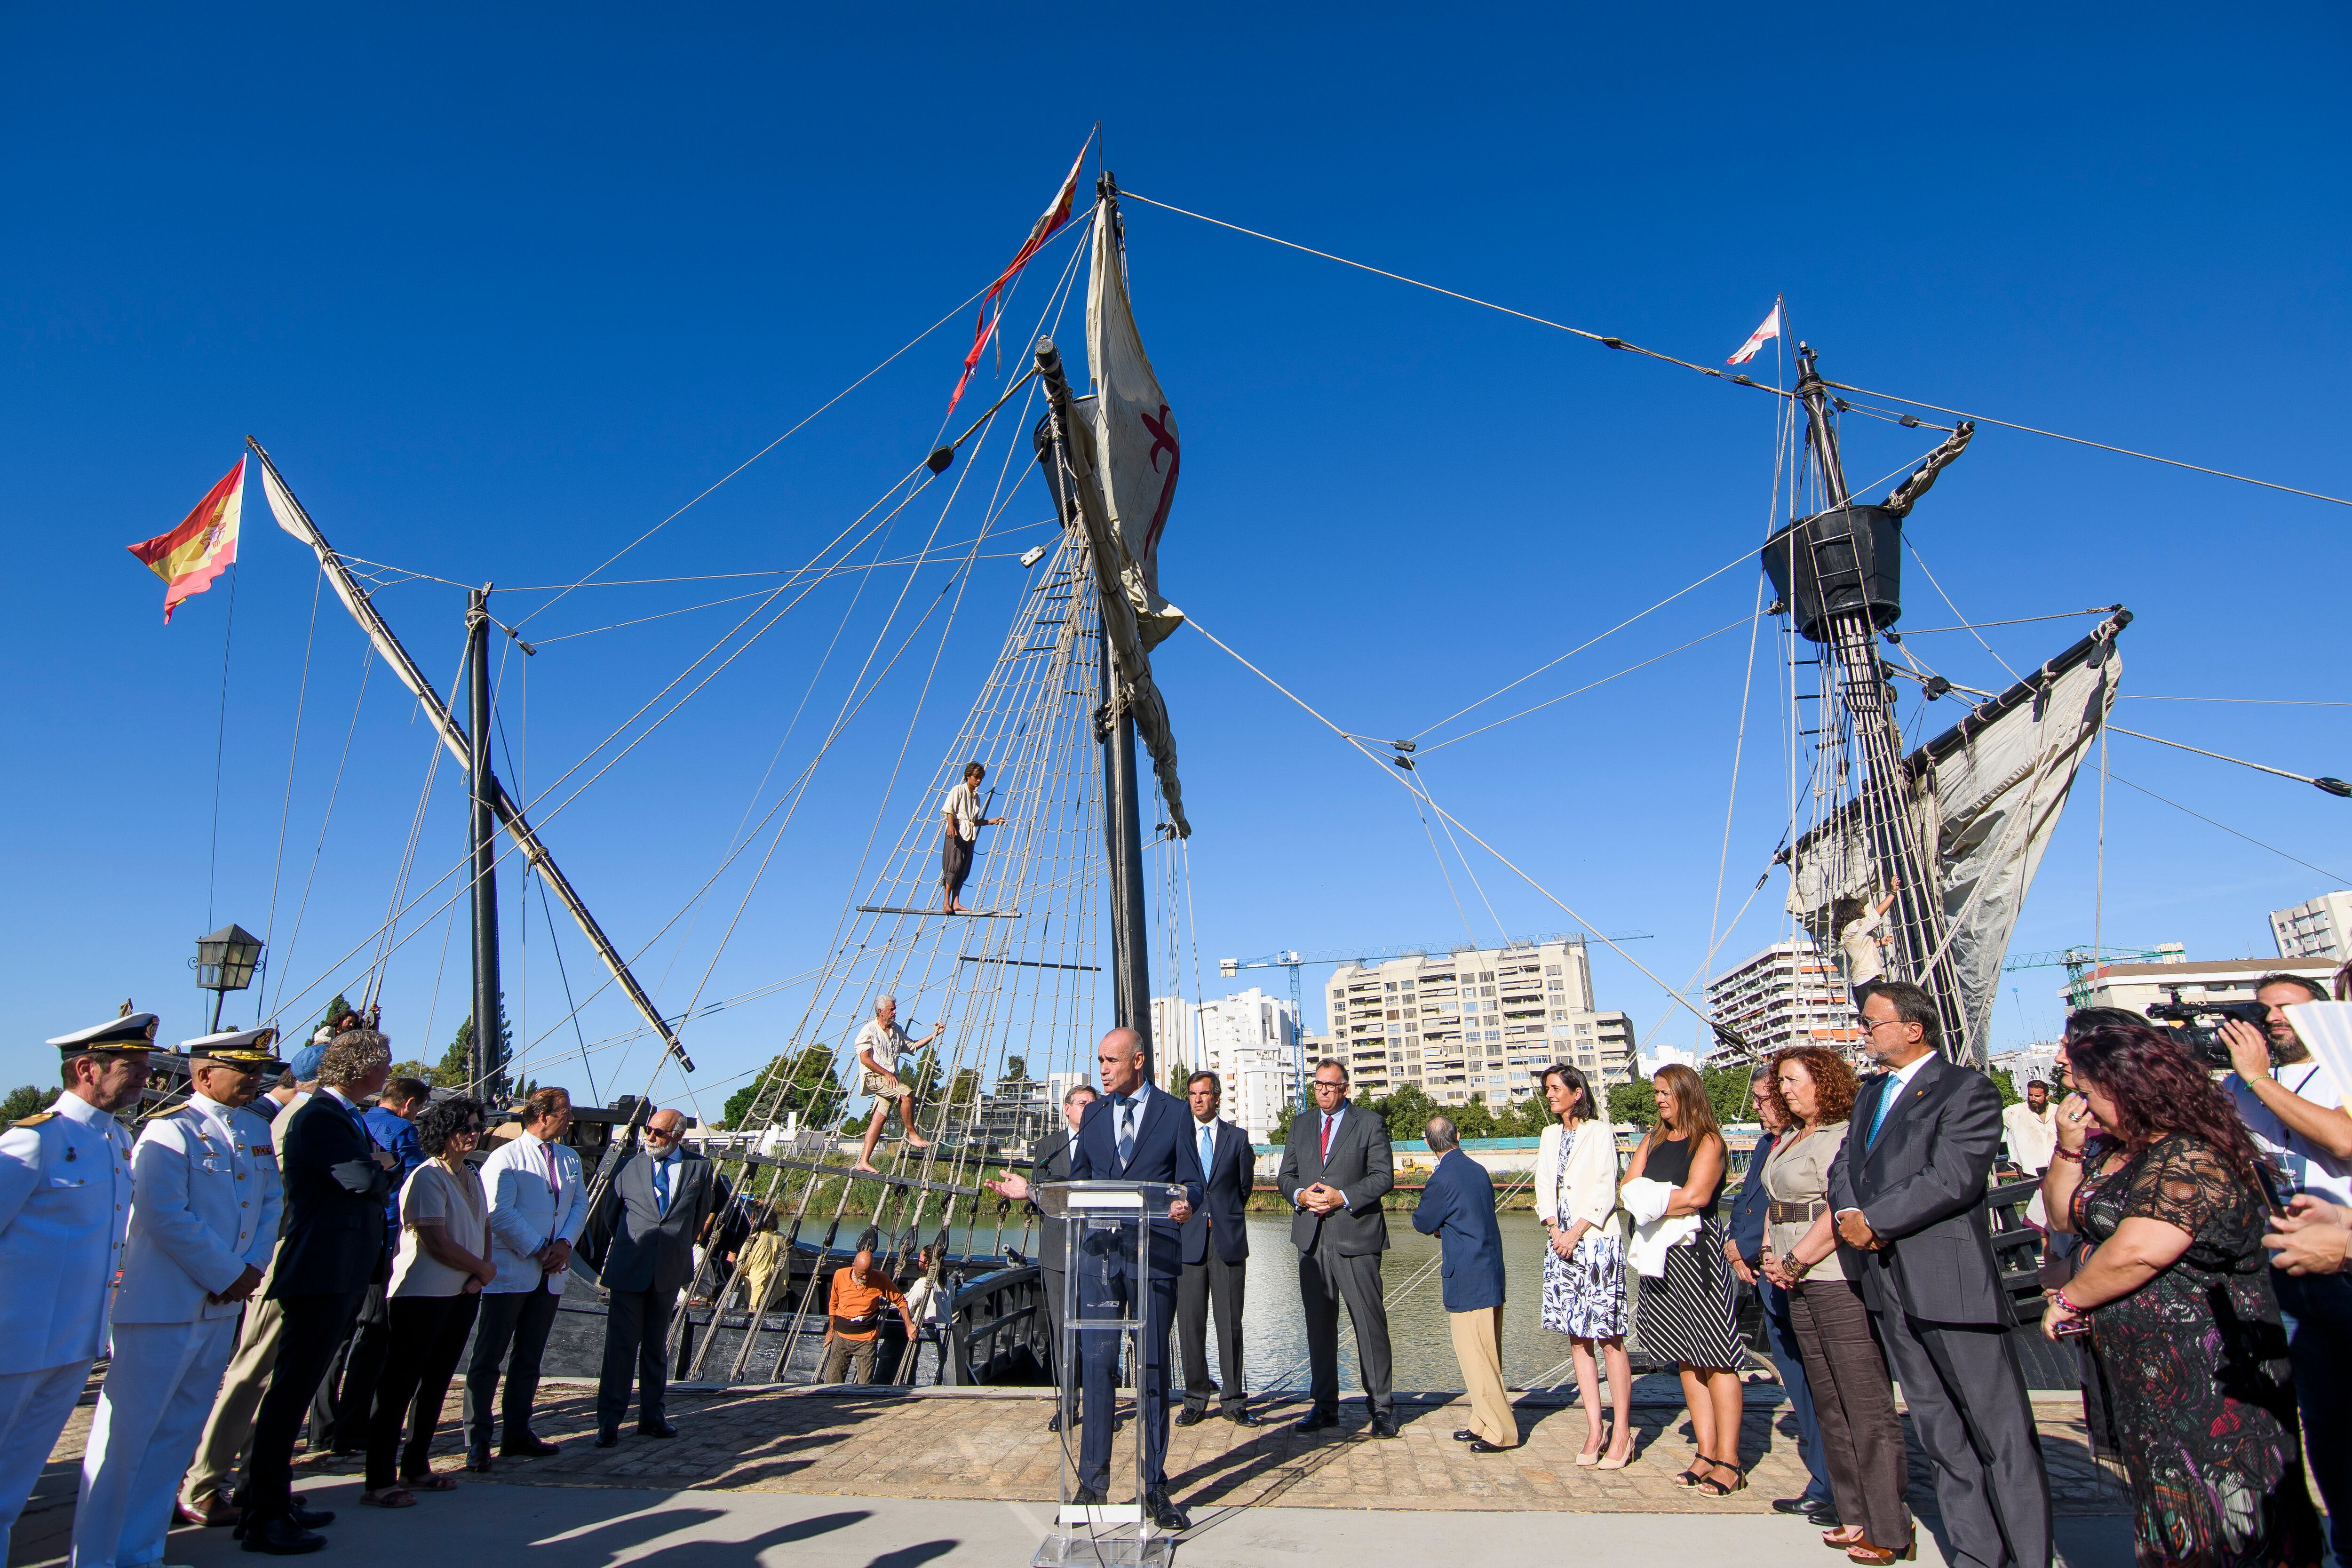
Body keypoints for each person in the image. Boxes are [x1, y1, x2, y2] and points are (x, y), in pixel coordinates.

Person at [2041, 1021, 2323, 1568]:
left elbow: (2142, 1248)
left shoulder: (2188, 1155)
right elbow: (2063, 1216)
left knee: (2227, 1503)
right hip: (2147, 1374)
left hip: (2208, 1369)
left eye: (2091, 1095)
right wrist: (2068, 1150)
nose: (2083, 1106)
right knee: (2174, 1499)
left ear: (2132, 1089)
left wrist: (2070, 1298)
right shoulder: (2115, 1150)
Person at [1828, 980, 2050, 1568]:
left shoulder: (1965, 1090)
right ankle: (1976, 1555)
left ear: (1912, 1028)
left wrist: (1875, 1220)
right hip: (1890, 1284)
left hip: (1948, 1281)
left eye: (1873, 1022)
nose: (1865, 1032)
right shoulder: (1868, 1095)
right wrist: (1851, 1213)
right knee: (1940, 1433)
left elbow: (1953, 1175)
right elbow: (1845, 1164)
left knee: (1999, 1433)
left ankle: (2027, 1557)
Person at [74, 1030, 284, 1568]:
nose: (256, 1078)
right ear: (205, 1074)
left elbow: (269, 1206)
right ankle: (96, 1558)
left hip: (219, 1307)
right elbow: (164, 1215)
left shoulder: (257, 1130)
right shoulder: (170, 1132)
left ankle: (141, 1553)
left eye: (260, 1069)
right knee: (127, 1442)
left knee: (176, 1436)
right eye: (244, 1069)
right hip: (162, 1308)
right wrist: (227, 1271)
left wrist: (251, 1268)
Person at [985, 1028, 1202, 1530]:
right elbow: (1076, 1183)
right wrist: (1034, 1192)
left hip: (1154, 1258)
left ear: (1138, 1061)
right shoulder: (1097, 1115)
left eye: (1111, 1061)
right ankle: (1092, 1484)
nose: (1102, 1069)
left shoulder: (1173, 1114)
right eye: (1099, 1060)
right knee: (1097, 1366)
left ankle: (1153, 1488)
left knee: (1149, 1369)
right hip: (1098, 1260)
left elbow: (1192, 1180)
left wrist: (1186, 1203)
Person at [0, 1012, 150, 1557]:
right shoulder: (35, 1140)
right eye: (132, 1068)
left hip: (73, 1343)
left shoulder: (114, 1139)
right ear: (87, 1068)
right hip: (13, 1343)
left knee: (12, 1486)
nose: (145, 1079)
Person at [242, 1028, 396, 1552]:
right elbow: (360, 1178)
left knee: (297, 1388)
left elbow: (374, 1170)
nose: (388, 1075)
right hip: (321, 1268)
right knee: (289, 1391)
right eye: (383, 1066)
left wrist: (379, 1170)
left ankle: (273, 1497)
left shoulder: (343, 1117)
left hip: (343, 1266)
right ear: (363, 1071)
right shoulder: (321, 1117)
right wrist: (380, 1171)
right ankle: (263, 1510)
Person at [1761, 1047, 1913, 1564]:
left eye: (1792, 1080)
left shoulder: (1843, 1135)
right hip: (1793, 1278)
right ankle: (1852, 1513)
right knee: (1829, 1402)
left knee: (1863, 1403)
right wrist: (1769, 1252)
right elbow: (1775, 1204)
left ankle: (1890, 1527)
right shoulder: (1788, 1139)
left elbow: (1837, 1207)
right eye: (1780, 1082)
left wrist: (1798, 1260)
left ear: (1822, 1083)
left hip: (1831, 1277)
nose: (1783, 1090)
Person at [2221, 971, 2352, 1562]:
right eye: (2265, 1009)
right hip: (2287, 1265)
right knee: (2325, 1425)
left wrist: (2257, 1081)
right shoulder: (2238, 1084)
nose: (2274, 1019)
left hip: (2345, 1261)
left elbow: (2342, 1140)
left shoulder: (2339, 1063)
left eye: (2289, 1009)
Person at [179, 1046, 331, 1529]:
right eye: (244, 1070)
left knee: (279, 1381)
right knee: (253, 1376)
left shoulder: (272, 1121)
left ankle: (257, 1479)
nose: (252, 1079)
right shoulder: (293, 1119)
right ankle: (203, 1484)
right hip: (277, 1263)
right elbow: (272, 1200)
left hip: (282, 1260)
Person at [361, 1098, 495, 1509]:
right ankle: (378, 1477)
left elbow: (483, 1224)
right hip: (422, 1293)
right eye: (464, 1127)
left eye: (475, 1126)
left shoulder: (470, 1174)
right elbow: (435, 1240)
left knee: (437, 1380)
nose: (472, 1133)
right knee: (401, 1382)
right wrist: (481, 1268)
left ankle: (417, 1463)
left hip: (461, 1292)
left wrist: (482, 1269)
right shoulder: (427, 1177)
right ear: (443, 1133)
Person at [1623, 1061, 1746, 1496]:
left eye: (1665, 1092)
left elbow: (1697, 1196)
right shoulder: (1653, 1138)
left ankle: (1730, 1460)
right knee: (1687, 1357)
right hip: (1661, 1259)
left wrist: (1652, 1200)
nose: (1658, 1100)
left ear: (1686, 1093)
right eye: (1656, 1093)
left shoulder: (1709, 1141)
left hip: (1698, 1257)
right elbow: (1627, 1190)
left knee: (1717, 1355)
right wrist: (1659, 1201)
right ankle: (1705, 1451)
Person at [1729, 1062, 1835, 1522]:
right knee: (1795, 1377)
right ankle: (1821, 1475)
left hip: (1801, 1270)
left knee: (1823, 1380)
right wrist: (1736, 1248)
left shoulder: (1813, 1140)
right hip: (1764, 1272)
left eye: (1762, 1098)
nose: (1756, 1107)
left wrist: (1777, 1255)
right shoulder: (1767, 1145)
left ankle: (1833, 1481)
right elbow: (1750, 1201)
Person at [465, 1086, 585, 1470]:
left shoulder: (569, 1158)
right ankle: (478, 1438)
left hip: (551, 1273)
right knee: (489, 1356)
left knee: (529, 1357)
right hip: (514, 1269)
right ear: (542, 1114)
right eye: (564, 1111)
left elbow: (579, 1203)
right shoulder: (507, 1157)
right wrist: (538, 1248)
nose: (570, 1117)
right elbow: (498, 1212)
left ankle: (517, 1431)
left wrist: (565, 1243)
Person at [1275, 1059, 1396, 1440]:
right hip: (1311, 1239)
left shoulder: (1370, 1123)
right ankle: (1325, 1406)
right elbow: (1285, 1175)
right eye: (1318, 1085)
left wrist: (1342, 1197)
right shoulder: (1301, 1124)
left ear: (1346, 1088)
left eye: (1331, 1085)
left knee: (1369, 1324)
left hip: (1356, 1237)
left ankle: (1381, 1408)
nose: (1324, 1091)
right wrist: (1299, 1194)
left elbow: (1383, 1177)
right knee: (1319, 1327)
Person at [594, 1107, 716, 1447]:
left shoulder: (699, 1168)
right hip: (629, 1268)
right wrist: (636, 1245)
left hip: (668, 1270)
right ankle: (609, 1420)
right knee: (619, 1348)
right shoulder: (628, 1166)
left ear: (678, 1135)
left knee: (656, 1347)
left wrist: (673, 1246)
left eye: (659, 1133)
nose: (650, 1137)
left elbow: (698, 1215)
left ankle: (652, 1415)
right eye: (649, 1130)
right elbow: (611, 1215)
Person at [1534, 1063, 1633, 1470]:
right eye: (1547, 1089)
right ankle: (1595, 1426)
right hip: (1561, 1246)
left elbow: (1605, 1187)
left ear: (1577, 1092)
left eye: (1556, 1087)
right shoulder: (1549, 1134)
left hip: (1595, 1242)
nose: (1550, 1094)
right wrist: (1556, 1228)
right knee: (1578, 1337)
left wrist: (1575, 1231)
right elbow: (1544, 1185)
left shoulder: (1599, 1131)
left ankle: (1622, 1429)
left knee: (1608, 1336)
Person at [325, 1077, 428, 1457]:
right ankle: (354, 1427)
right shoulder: (402, 1129)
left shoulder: (360, 1121)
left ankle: (323, 1424)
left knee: (341, 1335)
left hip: (355, 1234)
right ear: (409, 1104)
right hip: (385, 1235)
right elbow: (413, 1179)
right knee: (376, 1332)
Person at [1412, 1115, 1515, 1452]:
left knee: (1475, 1355)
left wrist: (1440, 1226)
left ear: (1428, 1144)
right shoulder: (1478, 1171)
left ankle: (1502, 1431)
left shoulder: (1441, 1178)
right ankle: (1481, 1421)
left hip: (1467, 1276)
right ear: (1459, 1135)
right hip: (1490, 1269)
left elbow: (1423, 1220)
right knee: (1488, 1351)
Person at [1176, 1070, 1256, 1427]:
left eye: (1204, 1093)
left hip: (1227, 1242)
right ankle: (1195, 1398)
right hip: (1188, 1243)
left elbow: (1244, 1187)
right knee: (1190, 1324)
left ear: (1217, 1097)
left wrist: (1219, 1215)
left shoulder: (1238, 1139)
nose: (1197, 1099)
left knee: (1230, 1324)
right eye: (1192, 1093)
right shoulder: (1177, 1139)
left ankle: (1234, 1399)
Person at [1025, 1082, 1095, 1431]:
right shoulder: (1048, 1147)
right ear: (1066, 1108)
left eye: (1092, 1104)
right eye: (1081, 1103)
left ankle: (1100, 1406)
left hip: (1099, 1249)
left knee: (1098, 1333)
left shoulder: (1107, 1145)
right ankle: (1067, 1405)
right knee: (1062, 1329)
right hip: (1057, 1252)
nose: (1086, 1109)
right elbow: (1038, 1192)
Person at [850, 995, 943, 1175]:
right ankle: (913, 1135)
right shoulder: (869, 1030)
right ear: (881, 1012)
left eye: (895, 1009)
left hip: (891, 1080)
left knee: (880, 1117)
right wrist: (886, 1073)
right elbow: (865, 1059)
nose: (895, 1012)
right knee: (906, 1094)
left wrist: (935, 1034)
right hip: (875, 1078)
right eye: (892, 1009)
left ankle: (863, 1161)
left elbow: (913, 1047)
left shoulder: (896, 1030)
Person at [818, 1247, 914, 1384]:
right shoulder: (840, 1275)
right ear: (854, 1266)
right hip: (841, 1338)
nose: (865, 1277)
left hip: (866, 1340)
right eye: (862, 1274)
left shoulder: (880, 1278)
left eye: (868, 1273)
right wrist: (831, 1331)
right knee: (832, 1382)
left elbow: (900, 1300)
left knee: (865, 1385)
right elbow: (833, 1304)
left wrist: (909, 1325)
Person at [939, 760, 1006, 915]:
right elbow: (950, 809)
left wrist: (992, 821)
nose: (978, 781)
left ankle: (956, 901)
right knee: (953, 866)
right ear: (968, 776)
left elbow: (974, 821)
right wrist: (950, 826)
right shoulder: (958, 790)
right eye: (976, 777)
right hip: (956, 830)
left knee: (963, 868)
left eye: (981, 778)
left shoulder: (976, 798)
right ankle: (946, 901)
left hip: (969, 835)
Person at [1835, 889, 1899, 1000]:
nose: (1864, 912)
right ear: (1853, 911)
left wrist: (1879, 943)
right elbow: (1877, 914)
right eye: (1861, 909)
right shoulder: (1856, 927)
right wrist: (1893, 893)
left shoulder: (1845, 933)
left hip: (1859, 985)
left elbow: (1860, 949)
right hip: (1869, 981)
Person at [2002, 1081, 2057, 1178]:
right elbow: (1992, 1121)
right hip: (2028, 1169)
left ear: (2047, 1096)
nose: (2033, 1099)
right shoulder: (2015, 1111)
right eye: (2030, 1095)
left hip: (2057, 1167)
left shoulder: (2058, 1111)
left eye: (2037, 1096)